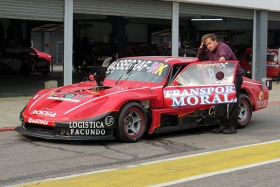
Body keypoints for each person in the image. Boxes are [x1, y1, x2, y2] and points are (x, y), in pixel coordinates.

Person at [197, 33, 243, 134]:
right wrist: (201, 47)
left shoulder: (223, 47)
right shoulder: (209, 51)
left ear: (215, 41)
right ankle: (223, 124)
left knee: (232, 101)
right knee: (219, 101)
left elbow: (223, 54)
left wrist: (222, 58)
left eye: (209, 43)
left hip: (234, 77)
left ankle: (232, 126)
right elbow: (200, 58)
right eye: (206, 44)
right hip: (222, 78)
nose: (208, 46)